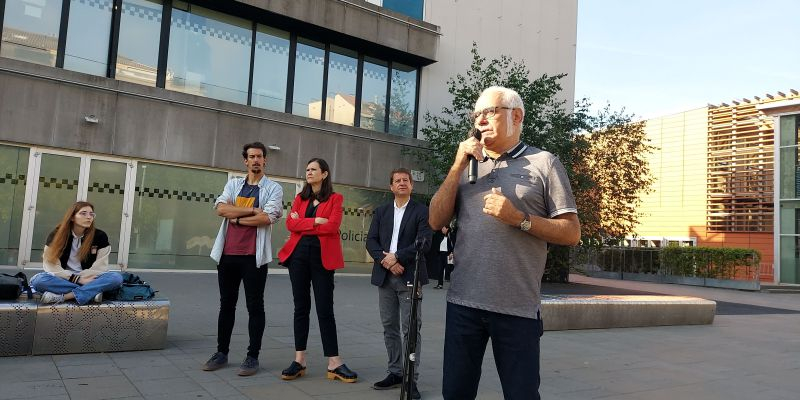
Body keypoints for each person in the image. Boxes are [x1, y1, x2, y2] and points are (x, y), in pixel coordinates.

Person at [428, 86, 581, 400]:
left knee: (521, 394)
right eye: (476, 114)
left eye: (489, 112)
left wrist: (519, 218)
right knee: (455, 393)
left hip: (516, 309)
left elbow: (571, 232)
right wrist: (456, 166)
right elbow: (435, 220)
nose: (480, 120)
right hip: (463, 304)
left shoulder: (545, 163)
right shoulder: (467, 166)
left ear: (517, 116)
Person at [204, 142, 283, 377]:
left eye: (259, 156)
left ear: (265, 160)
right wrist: (251, 210)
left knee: (255, 306)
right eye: (251, 156)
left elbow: (267, 217)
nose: (256, 160)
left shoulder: (274, 188)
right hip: (227, 255)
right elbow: (220, 209)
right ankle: (221, 353)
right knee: (226, 305)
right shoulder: (233, 184)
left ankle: (252, 356)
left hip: (253, 257)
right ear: (245, 161)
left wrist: (236, 217)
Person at [277, 158, 358, 383]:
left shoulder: (335, 198)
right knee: (300, 308)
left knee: (325, 309)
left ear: (324, 174)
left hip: (322, 258)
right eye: (307, 169)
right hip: (298, 257)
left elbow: (332, 226)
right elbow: (290, 224)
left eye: (313, 169)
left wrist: (303, 223)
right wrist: (315, 222)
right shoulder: (299, 198)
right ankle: (299, 360)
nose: (309, 172)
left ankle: (334, 362)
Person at [366, 167, 432, 400]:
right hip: (385, 276)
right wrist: (387, 262)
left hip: (409, 275)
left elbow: (424, 242)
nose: (402, 183)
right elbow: (371, 241)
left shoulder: (422, 211)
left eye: (406, 180)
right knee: (389, 326)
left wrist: (397, 257)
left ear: (411, 185)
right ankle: (395, 372)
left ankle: (411, 378)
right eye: (397, 180)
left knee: (411, 329)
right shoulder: (382, 211)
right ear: (391, 186)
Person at [30, 201, 123, 305]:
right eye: (83, 213)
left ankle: (65, 297)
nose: (89, 217)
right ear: (72, 217)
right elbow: (50, 265)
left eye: (91, 214)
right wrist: (77, 279)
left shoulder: (100, 236)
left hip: (90, 278)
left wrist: (83, 278)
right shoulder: (57, 234)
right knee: (38, 281)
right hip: (64, 278)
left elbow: (100, 267)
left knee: (116, 278)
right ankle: (92, 293)